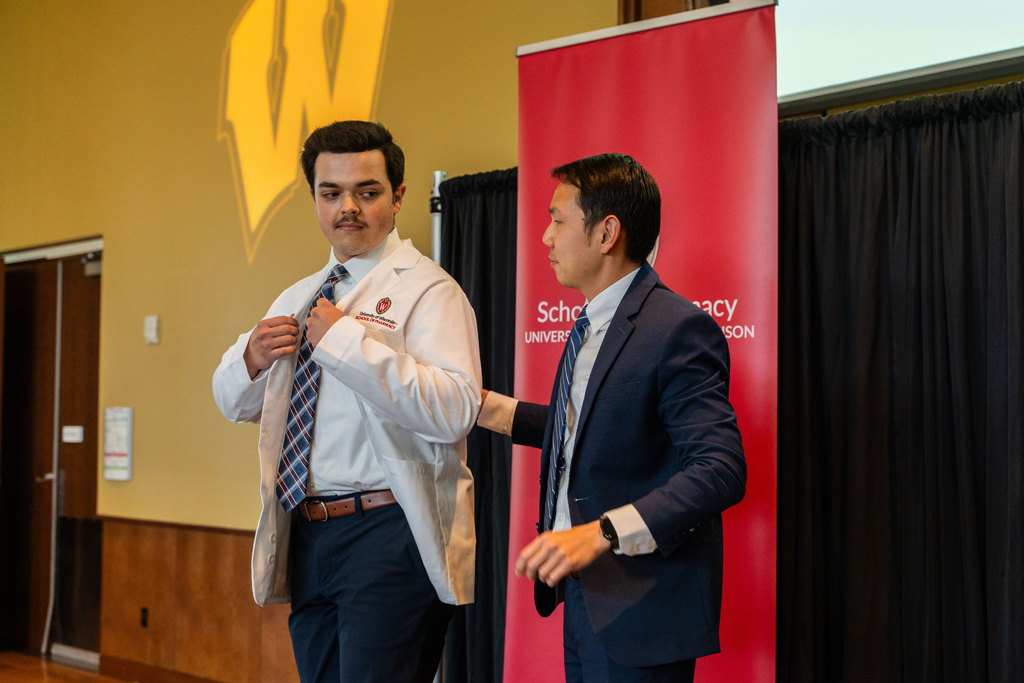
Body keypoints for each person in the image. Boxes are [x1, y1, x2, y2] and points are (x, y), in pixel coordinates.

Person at [212, 121, 481, 683]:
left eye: (367, 191)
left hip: (388, 534)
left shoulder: (430, 291)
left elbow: (456, 408)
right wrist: (251, 360)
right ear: (314, 199)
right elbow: (233, 402)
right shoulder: (299, 295)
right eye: (331, 193)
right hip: (309, 532)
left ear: (398, 196)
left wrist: (343, 342)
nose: (348, 208)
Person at [478, 154, 746, 683]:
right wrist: (490, 409)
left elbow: (721, 468)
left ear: (607, 233)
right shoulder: (593, 323)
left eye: (557, 220)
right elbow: (594, 430)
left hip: (642, 608)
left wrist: (600, 531)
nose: (545, 238)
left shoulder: (676, 329)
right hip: (583, 598)